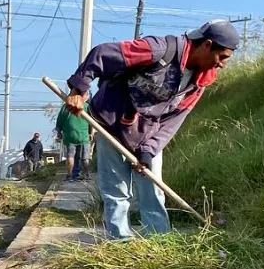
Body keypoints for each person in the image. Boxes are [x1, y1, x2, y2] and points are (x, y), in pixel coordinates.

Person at [64, 20, 238, 239]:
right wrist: (78, 89)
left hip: (148, 133)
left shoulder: (199, 82)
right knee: (116, 191)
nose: (222, 64)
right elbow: (101, 54)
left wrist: (149, 150)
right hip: (111, 123)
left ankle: (158, 243)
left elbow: (173, 121)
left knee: (153, 192)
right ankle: (121, 243)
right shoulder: (158, 50)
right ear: (207, 44)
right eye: (222, 57)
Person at [55, 100, 91, 181]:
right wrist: (91, 133)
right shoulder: (85, 106)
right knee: (85, 157)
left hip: (69, 135)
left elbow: (60, 121)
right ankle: (87, 175)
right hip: (83, 135)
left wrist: (59, 132)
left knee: (70, 156)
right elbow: (92, 121)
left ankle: (69, 176)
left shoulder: (65, 106)